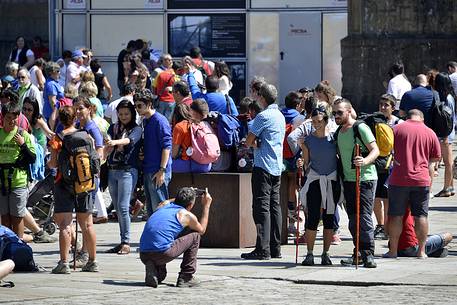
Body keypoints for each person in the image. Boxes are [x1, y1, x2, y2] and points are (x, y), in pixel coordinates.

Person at [383, 109, 441, 259]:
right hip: (421, 179)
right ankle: (421, 252)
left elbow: (385, 150)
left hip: (398, 179)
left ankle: (393, 251)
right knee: (421, 216)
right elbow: (433, 161)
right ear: (421, 118)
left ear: (407, 117)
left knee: (395, 216)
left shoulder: (396, 129)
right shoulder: (430, 132)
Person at [47, 106, 99, 273]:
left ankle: (64, 263)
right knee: (87, 225)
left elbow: (54, 164)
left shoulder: (58, 138)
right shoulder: (86, 136)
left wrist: (49, 163)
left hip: (64, 184)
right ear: (75, 118)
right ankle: (92, 261)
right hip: (85, 183)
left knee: (65, 224)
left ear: (60, 120)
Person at [333, 98, 379, 268]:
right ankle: (358, 252)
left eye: (339, 112)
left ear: (348, 111)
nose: (336, 115)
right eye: (334, 112)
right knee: (353, 219)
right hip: (348, 180)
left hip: (365, 178)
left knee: (364, 217)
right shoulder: (339, 132)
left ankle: (368, 254)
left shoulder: (360, 128)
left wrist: (365, 161)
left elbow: (375, 150)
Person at [241, 83, 285, 260]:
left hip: (263, 166)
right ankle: (275, 248)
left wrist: (254, 143)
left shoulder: (263, 116)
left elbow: (248, 141)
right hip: (276, 166)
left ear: (262, 98)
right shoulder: (279, 115)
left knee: (261, 208)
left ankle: (262, 249)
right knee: (275, 207)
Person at [139, 187, 213, 288]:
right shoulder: (186, 215)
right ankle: (186, 276)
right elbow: (202, 230)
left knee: (166, 235)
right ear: (191, 205)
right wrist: (206, 205)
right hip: (162, 254)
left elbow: (169, 201)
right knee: (195, 236)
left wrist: (186, 193)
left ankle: (155, 271)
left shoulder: (162, 205)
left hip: (144, 254)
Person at [298, 103, 343, 266]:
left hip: (331, 181)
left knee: (329, 219)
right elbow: (306, 163)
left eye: (318, 121)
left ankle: (326, 253)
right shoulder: (308, 140)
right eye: (313, 121)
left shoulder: (334, 139)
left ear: (325, 121)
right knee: (313, 219)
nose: (316, 124)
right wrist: (301, 157)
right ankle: (309, 254)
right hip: (314, 181)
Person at [104, 100, 142, 255]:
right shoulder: (113, 127)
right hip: (112, 170)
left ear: (132, 114)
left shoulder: (137, 129)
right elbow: (106, 144)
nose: (123, 116)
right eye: (120, 114)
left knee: (123, 206)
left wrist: (114, 142)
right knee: (118, 209)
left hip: (128, 170)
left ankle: (126, 242)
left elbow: (129, 140)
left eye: (126, 113)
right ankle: (121, 241)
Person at [0, 102, 36, 239]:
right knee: (5, 217)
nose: (11, 121)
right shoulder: (0, 133)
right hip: (2, 182)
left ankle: (19, 244)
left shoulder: (23, 134)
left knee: (17, 217)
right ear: (3, 117)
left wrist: (22, 145)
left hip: (18, 181)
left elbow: (32, 158)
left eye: (14, 118)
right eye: (8, 118)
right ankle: (7, 243)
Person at [134, 89, 172, 216]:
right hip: (148, 169)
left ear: (149, 104)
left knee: (160, 210)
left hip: (158, 171)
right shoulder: (145, 121)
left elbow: (167, 146)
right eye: (135, 106)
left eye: (139, 105)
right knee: (151, 211)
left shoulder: (160, 121)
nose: (137, 109)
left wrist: (162, 170)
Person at [373, 94, 403, 240]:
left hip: (391, 165)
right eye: (381, 104)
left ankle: (387, 226)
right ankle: (380, 225)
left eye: (386, 105)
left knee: (387, 198)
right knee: (375, 197)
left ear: (393, 107)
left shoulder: (399, 123)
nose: (383, 107)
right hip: (376, 163)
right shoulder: (374, 122)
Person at [172, 99, 212, 173]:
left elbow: (174, 154)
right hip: (207, 165)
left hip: (190, 164)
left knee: (163, 164)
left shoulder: (180, 126)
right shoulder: (204, 124)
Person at [433, 73, 456, 197]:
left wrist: (444, 135)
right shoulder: (450, 96)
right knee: (448, 161)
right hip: (449, 133)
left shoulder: (445, 98)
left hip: (445, 134)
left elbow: (445, 118)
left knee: (447, 162)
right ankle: (450, 186)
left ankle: (446, 187)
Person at [153, 54, 177, 122]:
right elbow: (153, 86)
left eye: (171, 60)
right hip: (168, 100)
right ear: (163, 61)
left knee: (160, 119)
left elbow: (154, 85)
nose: (171, 61)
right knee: (167, 121)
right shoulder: (158, 71)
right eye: (169, 60)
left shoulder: (168, 73)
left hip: (165, 99)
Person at [43, 61, 64, 129]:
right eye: (57, 71)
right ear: (51, 72)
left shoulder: (52, 82)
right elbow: (52, 101)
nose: (59, 72)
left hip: (53, 114)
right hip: (53, 115)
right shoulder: (51, 84)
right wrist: (57, 115)